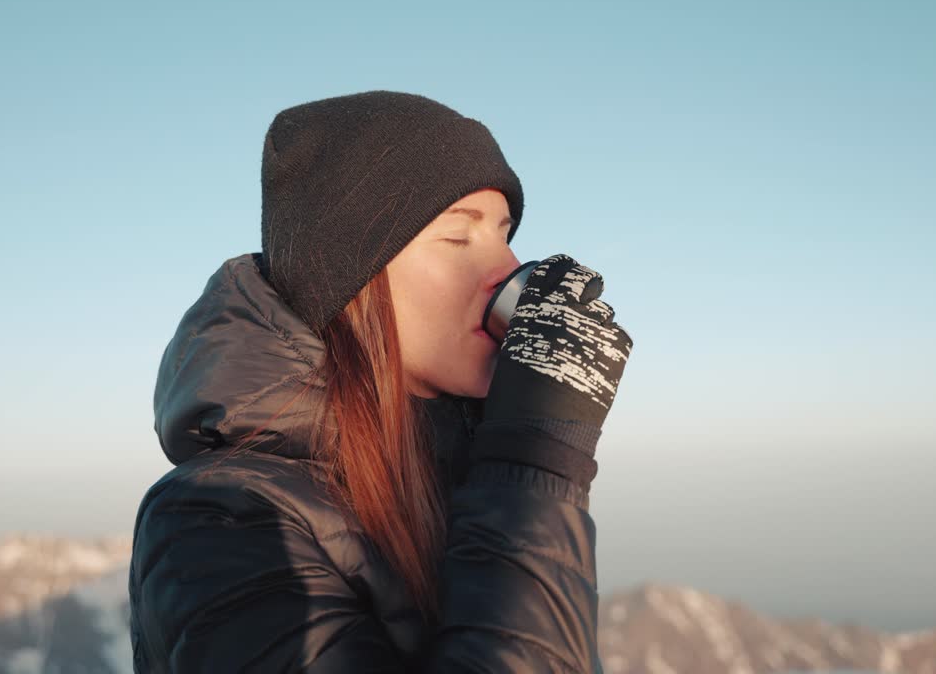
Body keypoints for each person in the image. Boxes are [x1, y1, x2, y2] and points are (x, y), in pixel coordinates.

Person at [128, 90, 634, 673]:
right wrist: (535, 461)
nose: (509, 269)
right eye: (457, 236)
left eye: (504, 233)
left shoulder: (456, 474)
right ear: (353, 279)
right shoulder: (219, 520)